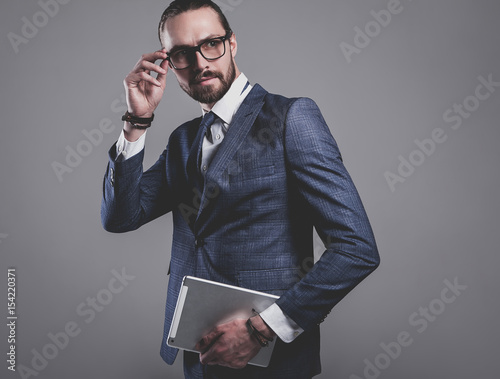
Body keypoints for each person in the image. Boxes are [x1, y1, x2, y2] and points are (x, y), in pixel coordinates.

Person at [101, 1, 380, 378]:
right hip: (199, 355)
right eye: (182, 53)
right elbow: (120, 218)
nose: (200, 63)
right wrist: (137, 120)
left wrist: (261, 330)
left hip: (271, 359)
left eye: (210, 44)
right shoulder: (183, 140)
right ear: (168, 64)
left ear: (232, 43)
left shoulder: (290, 118)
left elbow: (357, 248)